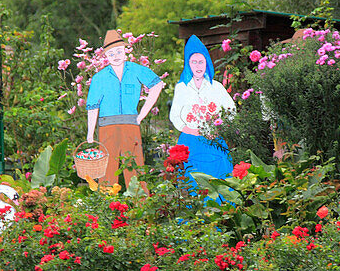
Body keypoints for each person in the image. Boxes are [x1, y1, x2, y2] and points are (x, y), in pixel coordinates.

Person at [85, 29, 165, 189]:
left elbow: (157, 84)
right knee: (108, 169)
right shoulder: (99, 78)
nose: (115, 56)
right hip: (107, 127)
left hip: (131, 125)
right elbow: (93, 107)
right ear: (106, 56)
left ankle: (140, 206)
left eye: (119, 51)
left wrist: (143, 113)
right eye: (111, 53)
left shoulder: (135, 70)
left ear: (125, 51)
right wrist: (90, 132)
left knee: (134, 166)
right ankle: (107, 206)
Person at [170, 35, 236, 189]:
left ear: (207, 63)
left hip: (214, 141)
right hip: (189, 142)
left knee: (220, 180)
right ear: (188, 64)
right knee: (192, 181)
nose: (198, 66)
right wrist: (192, 131)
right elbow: (175, 116)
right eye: (194, 62)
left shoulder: (217, 87)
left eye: (201, 61)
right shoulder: (182, 88)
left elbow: (232, 110)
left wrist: (219, 128)